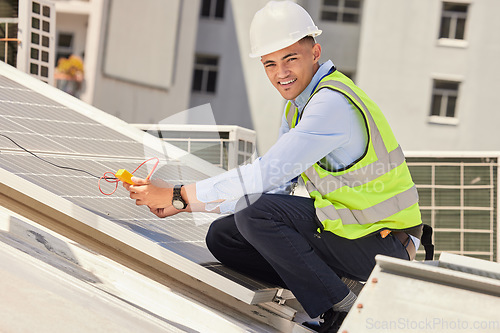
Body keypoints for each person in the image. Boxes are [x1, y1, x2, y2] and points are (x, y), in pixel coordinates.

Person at [124, 1, 424, 332]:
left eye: (290, 59)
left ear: (315, 52)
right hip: (352, 234)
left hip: (385, 245)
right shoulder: (299, 106)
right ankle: (336, 285)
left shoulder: (331, 104)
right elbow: (273, 188)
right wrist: (186, 206)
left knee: (256, 214)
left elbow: (266, 173)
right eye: (270, 64)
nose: (281, 73)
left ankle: (346, 310)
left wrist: (178, 195)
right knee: (224, 237)